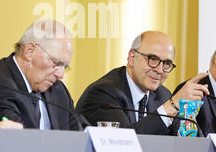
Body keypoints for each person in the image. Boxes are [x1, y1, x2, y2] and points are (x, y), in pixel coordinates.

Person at [75, 31, 209, 135]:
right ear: (132, 57)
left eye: (167, 64)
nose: (159, 70)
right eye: (153, 59)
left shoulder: (162, 95)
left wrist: (188, 112)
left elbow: (181, 143)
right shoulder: (103, 93)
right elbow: (125, 144)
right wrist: (172, 105)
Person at [0, 19, 84, 130]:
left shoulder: (58, 90)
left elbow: (79, 135)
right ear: (30, 51)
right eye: (56, 63)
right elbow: (20, 142)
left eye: (65, 67)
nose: (61, 75)